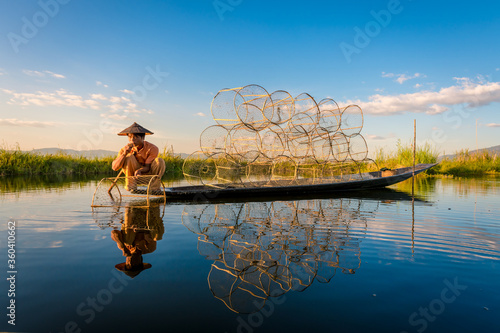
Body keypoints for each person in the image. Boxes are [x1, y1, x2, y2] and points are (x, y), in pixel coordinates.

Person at [111, 122, 166, 191]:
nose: (132, 140)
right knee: (129, 156)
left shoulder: (152, 148)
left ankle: (154, 188)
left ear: (143, 138)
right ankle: (131, 185)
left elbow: (147, 167)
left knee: (160, 161)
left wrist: (139, 170)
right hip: (133, 177)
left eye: (135, 137)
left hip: (149, 176)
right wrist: (124, 154)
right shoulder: (124, 149)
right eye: (130, 137)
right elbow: (114, 167)